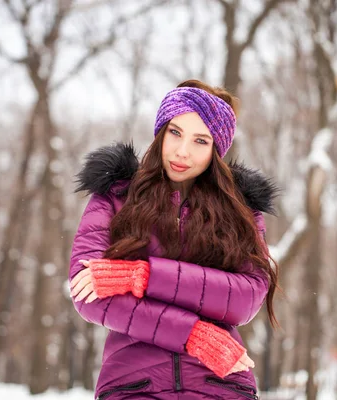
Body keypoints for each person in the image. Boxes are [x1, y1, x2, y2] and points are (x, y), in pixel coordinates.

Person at [69, 79, 279, 399]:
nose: (183, 151)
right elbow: (88, 292)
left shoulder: (242, 209)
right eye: (176, 133)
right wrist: (192, 333)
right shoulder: (114, 195)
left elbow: (246, 298)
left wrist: (143, 276)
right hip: (133, 382)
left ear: (216, 150)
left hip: (219, 383)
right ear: (161, 132)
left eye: (200, 141)